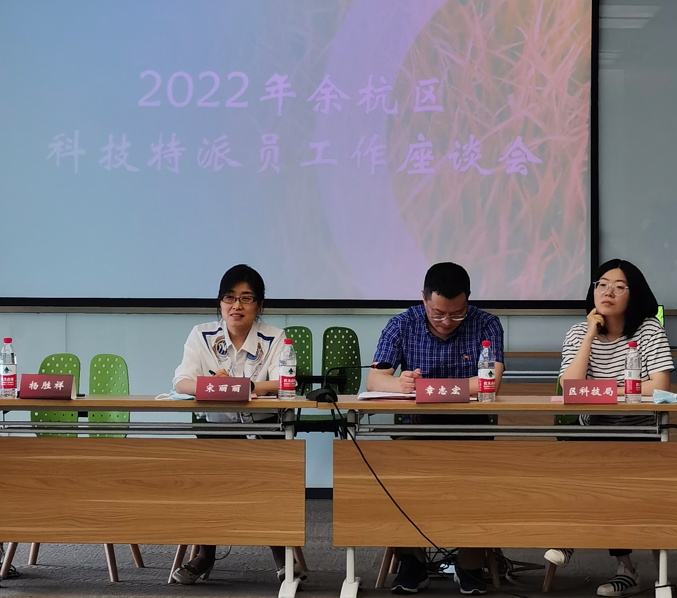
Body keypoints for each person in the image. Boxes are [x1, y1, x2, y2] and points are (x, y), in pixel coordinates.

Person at [367, 262, 505, 596]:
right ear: (424, 299)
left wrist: (430, 387)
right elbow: (374, 379)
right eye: (438, 313)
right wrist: (399, 383)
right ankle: (412, 562)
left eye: (456, 314)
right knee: (392, 474)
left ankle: (470, 564)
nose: (446, 322)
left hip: (471, 428)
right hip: (416, 428)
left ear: (467, 301)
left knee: (478, 481)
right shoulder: (402, 323)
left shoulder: (486, 323)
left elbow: (489, 381)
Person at [544, 259, 674, 597]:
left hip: (642, 432)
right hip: (594, 432)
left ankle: (571, 537)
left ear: (634, 293)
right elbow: (569, 387)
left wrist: (602, 390)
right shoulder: (578, 332)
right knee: (586, 467)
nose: (607, 292)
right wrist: (590, 333)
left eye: (618, 287)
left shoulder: (649, 330)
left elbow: (659, 385)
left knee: (612, 477)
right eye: (601, 285)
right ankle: (623, 567)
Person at [171, 264, 298, 585]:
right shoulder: (202, 334)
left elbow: (284, 383)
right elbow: (181, 382)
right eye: (229, 297)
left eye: (246, 298)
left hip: (264, 429)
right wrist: (213, 386)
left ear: (259, 305)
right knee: (206, 481)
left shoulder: (274, 337)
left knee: (270, 481)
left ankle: (282, 556)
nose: (236, 305)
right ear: (220, 302)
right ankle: (205, 554)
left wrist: (247, 387)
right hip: (217, 430)